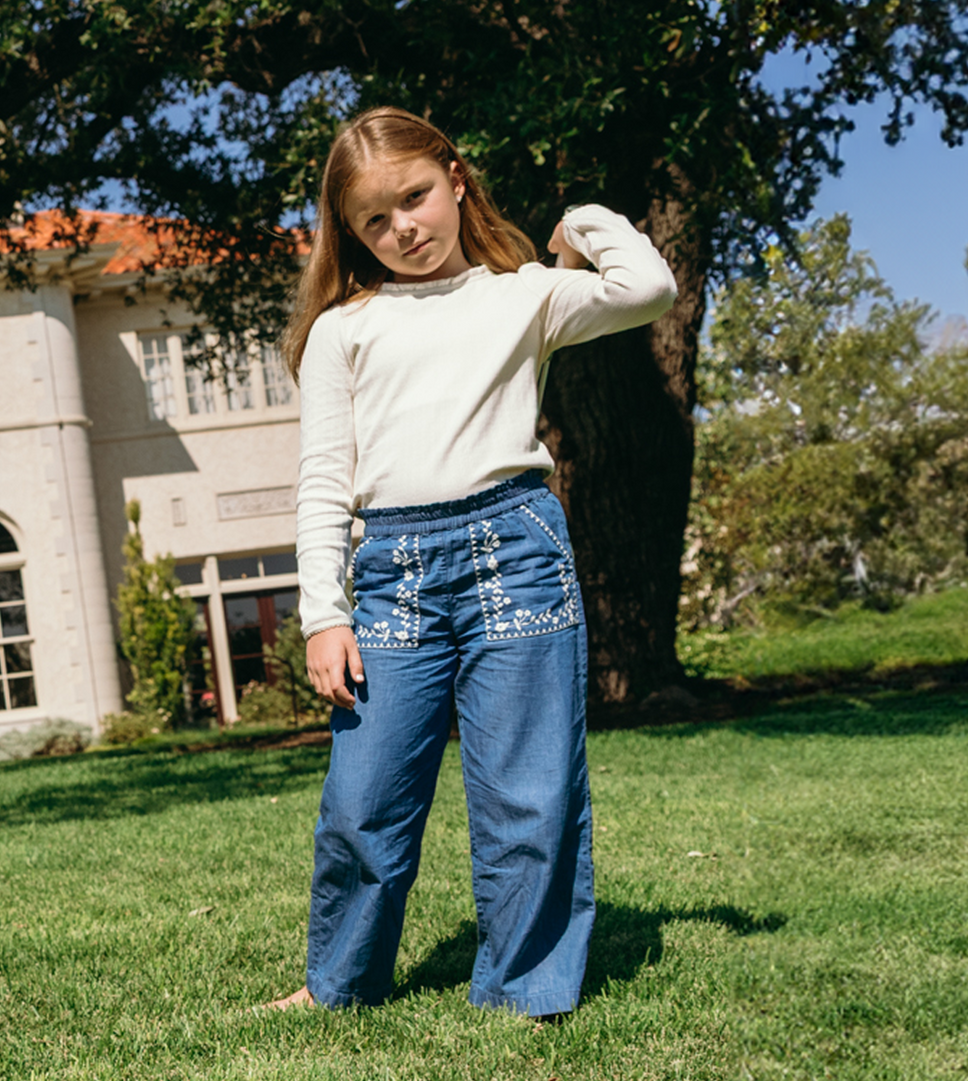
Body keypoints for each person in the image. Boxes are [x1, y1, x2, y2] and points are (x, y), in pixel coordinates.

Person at [269, 106, 677, 1016]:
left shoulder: (523, 293)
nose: (401, 229)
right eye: (373, 220)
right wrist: (324, 613)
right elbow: (324, 481)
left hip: (516, 553)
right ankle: (337, 985)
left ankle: (525, 993)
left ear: (455, 178)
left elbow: (648, 288)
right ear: (349, 233)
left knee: (530, 798)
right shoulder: (345, 330)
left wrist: (582, 223)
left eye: (413, 198)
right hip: (393, 577)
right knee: (363, 801)